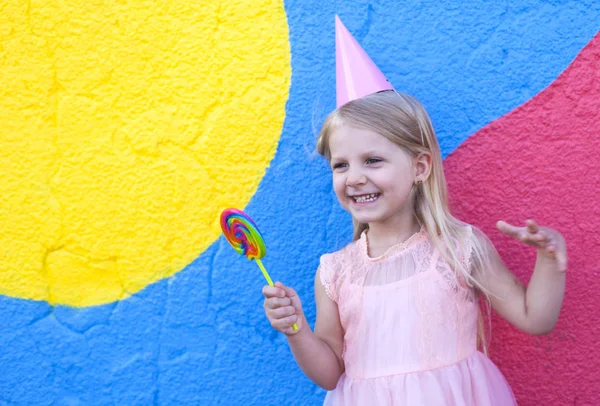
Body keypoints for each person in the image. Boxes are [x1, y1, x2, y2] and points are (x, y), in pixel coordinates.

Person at [262, 17, 567, 405]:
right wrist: (296, 329)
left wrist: (548, 260)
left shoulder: (459, 249)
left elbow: (534, 318)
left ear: (420, 168)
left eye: (372, 160)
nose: (354, 178)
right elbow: (330, 373)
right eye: (341, 165)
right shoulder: (334, 272)